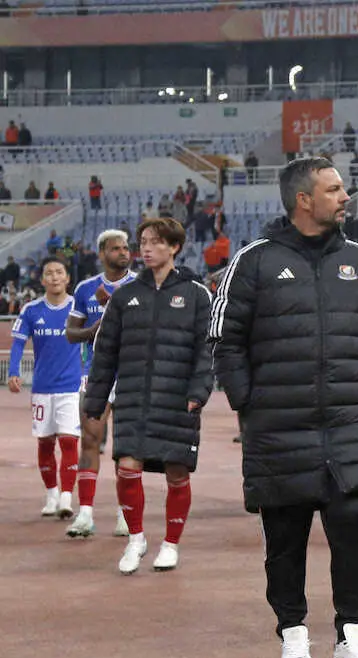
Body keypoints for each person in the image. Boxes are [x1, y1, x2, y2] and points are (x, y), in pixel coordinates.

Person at [211, 157, 358, 658]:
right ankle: (293, 633)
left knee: (349, 524)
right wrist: (250, 400)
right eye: (334, 189)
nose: (345, 197)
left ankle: (351, 633)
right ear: (303, 200)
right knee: (284, 536)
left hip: (346, 422)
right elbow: (224, 339)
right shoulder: (254, 261)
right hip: (277, 423)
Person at [82, 218, 214, 575]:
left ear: (174, 247)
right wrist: (95, 400)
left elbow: (206, 350)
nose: (146, 248)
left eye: (155, 242)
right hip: (135, 397)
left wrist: (198, 392)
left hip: (176, 398)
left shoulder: (197, 294)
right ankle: (136, 539)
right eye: (143, 241)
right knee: (127, 467)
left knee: (175, 470)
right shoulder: (125, 296)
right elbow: (105, 351)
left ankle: (171, 543)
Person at [64, 229, 138, 538]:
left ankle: (125, 515)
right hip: (97, 373)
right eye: (116, 248)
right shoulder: (85, 289)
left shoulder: (141, 285)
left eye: (125, 247)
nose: (124, 252)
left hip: (133, 372)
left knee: (127, 447)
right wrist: (96, 329)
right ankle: (85, 514)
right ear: (102, 253)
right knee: (90, 440)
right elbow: (71, 332)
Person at [6, 258, 82, 519]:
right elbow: (17, 344)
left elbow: (96, 339)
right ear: (42, 280)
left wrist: (89, 371)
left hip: (71, 388)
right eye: (49, 273)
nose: (54, 277)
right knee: (46, 443)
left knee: (69, 440)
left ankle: (66, 497)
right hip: (41, 387)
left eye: (59, 272)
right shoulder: (30, 310)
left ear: (67, 278)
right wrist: (13, 372)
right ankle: (51, 494)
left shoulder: (78, 308)